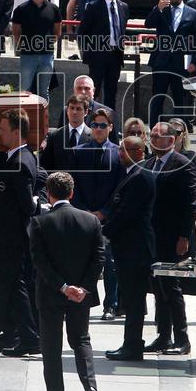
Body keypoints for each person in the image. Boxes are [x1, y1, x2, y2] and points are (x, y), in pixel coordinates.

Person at [30, 172, 106, 391]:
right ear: (72, 193)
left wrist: (63, 287)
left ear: (49, 194)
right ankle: (91, 389)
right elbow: (98, 259)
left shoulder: (40, 222)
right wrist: (83, 287)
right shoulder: (90, 221)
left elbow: (39, 262)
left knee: (51, 347)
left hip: (52, 294)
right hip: (81, 296)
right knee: (81, 340)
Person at [0, 109, 40, 358]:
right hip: (5, 238)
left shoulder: (21, 163)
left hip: (9, 239)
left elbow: (27, 206)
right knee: (13, 288)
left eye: (3, 129)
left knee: (0, 289)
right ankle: (30, 337)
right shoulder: (15, 158)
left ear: (16, 132)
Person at [144, 122, 196, 356]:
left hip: (172, 236)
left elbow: (190, 205)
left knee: (172, 287)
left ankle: (182, 338)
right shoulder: (149, 163)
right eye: (151, 136)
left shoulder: (182, 165)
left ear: (171, 140)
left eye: (158, 136)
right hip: (152, 236)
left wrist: (184, 236)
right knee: (158, 287)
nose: (153, 140)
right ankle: (164, 336)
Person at [102, 135, 154, 360]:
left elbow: (125, 214)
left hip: (135, 249)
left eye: (125, 150)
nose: (120, 154)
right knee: (131, 299)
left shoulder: (140, 176)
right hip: (128, 247)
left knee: (133, 300)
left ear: (139, 152)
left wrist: (104, 231)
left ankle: (133, 345)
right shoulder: (133, 174)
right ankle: (131, 343)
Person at [68, 108, 123, 321]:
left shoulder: (118, 153)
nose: (98, 129)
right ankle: (85, 301)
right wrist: (84, 211)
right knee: (83, 262)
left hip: (107, 218)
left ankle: (111, 304)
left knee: (109, 263)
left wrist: (104, 212)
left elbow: (120, 188)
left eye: (103, 125)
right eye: (95, 125)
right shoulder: (79, 151)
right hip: (83, 215)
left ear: (110, 127)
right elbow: (73, 184)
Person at [145, 0, 196, 125]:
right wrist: (158, 8)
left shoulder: (192, 13)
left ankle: (179, 133)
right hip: (161, 61)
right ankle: (154, 129)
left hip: (180, 64)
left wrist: (194, 61)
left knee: (180, 99)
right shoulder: (162, 8)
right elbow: (148, 23)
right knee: (157, 98)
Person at [78, 0, 129, 110]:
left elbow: (122, 30)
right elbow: (82, 32)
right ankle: (89, 123)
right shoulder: (94, 6)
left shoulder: (123, 7)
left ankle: (110, 126)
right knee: (93, 92)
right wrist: (88, 53)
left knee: (111, 93)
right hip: (97, 57)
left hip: (115, 56)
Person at [12, 0, 60, 99]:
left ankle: (43, 118)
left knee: (44, 91)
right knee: (24, 90)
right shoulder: (21, 9)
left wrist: (47, 44)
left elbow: (57, 31)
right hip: (28, 56)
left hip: (47, 56)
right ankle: (22, 118)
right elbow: (16, 31)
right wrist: (25, 45)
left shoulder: (54, 9)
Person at [39, 95, 91, 172]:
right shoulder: (55, 135)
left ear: (86, 112)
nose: (74, 112)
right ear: (67, 110)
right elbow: (46, 165)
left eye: (78, 109)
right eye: (71, 108)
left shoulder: (94, 137)